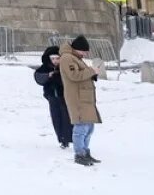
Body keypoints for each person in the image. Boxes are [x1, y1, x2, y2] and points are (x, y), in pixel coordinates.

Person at [59, 35, 102, 166]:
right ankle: (79, 154)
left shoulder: (75, 58)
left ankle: (85, 152)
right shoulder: (67, 58)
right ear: (77, 49)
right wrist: (91, 70)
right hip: (77, 98)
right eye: (84, 51)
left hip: (84, 97)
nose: (86, 53)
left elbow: (82, 74)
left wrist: (92, 74)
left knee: (89, 127)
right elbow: (74, 75)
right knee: (81, 127)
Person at [33, 46, 72, 148]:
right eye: (53, 59)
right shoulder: (45, 67)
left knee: (66, 117)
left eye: (57, 58)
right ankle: (62, 139)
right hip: (52, 96)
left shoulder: (64, 67)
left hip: (64, 96)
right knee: (56, 117)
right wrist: (48, 76)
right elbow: (38, 77)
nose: (55, 61)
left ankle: (68, 138)